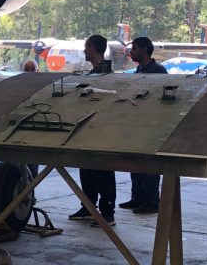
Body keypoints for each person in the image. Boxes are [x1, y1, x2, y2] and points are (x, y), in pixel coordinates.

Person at [68, 34, 117, 227]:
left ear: (94, 48)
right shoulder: (93, 74)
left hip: (101, 130)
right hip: (87, 128)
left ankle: (107, 213)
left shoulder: (106, 75)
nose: (84, 51)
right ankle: (88, 207)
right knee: (87, 171)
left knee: (102, 172)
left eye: (86, 47)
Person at [119, 36, 168, 214]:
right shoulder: (138, 71)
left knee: (150, 165)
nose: (131, 52)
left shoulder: (159, 72)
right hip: (137, 123)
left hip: (152, 124)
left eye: (135, 49)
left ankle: (152, 201)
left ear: (145, 50)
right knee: (136, 163)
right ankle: (137, 197)